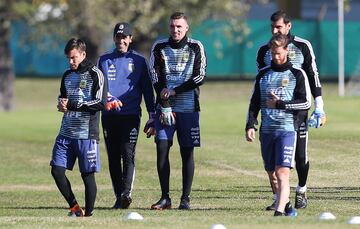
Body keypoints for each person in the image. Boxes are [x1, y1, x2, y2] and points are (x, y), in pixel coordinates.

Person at [256, 10, 327, 209]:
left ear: (288, 26)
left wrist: (319, 106)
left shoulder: (303, 46)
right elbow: (260, 83)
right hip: (273, 114)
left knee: (300, 157)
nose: (275, 30)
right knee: (273, 161)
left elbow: (313, 76)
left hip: (298, 112)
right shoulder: (264, 51)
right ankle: (280, 198)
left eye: (278, 26)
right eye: (272, 27)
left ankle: (301, 189)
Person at [246, 33, 311, 216]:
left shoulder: (297, 74)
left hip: (287, 130)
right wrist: (250, 124)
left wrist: (281, 104)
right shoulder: (263, 75)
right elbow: (254, 102)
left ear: (287, 51)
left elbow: (305, 104)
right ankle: (287, 205)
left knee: (282, 172)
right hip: (267, 131)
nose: (275, 56)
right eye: (272, 53)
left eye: (278, 53)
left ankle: (279, 212)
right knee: (271, 173)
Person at [149, 12, 206, 210]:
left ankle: (185, 199)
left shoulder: (196, 47)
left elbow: (200, 77)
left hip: (189, 108)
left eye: (179, 26)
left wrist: (174, 91)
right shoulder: (159, 47)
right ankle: (165, 197)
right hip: (165, 109)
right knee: (162, 148)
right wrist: (164, 102)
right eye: (173, 26)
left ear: (187, 27)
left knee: (187, 153)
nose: (176, 30)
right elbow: (154, 76)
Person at [97, 22, 155, 209]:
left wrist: (152, 114)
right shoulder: (104, 60)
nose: (121, 40)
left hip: (130, 115)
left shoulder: (139, 61)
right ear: (114, 38)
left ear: (130, 39)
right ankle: (119, 196)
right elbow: (97, 88)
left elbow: (147, 90)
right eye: (118, 37)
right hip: (109, 116)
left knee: (127, 154)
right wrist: (106, 98)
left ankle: (126, 192)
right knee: (113, 157)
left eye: (125, 37)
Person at [50, 38, 107, 217]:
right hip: (66, 133)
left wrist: (73, 105)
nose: (70, 61)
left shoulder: (95, 74)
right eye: (68, 58)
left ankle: (88, 215)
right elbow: (64, 98)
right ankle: (75, 207)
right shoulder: (67, 75)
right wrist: (61, 104)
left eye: (73, 57)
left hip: (86, 134)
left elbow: (100, 103)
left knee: (87, 176)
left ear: (83, 54)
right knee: (56, 171)